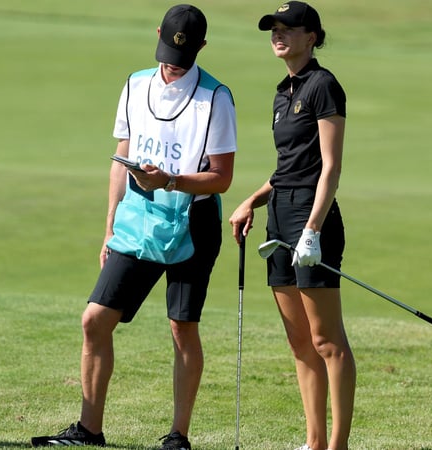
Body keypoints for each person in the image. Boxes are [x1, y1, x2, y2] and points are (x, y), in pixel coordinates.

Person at [31, 4, 237, 449]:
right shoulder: (135, 83)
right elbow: (120, 159)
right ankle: (89, 430)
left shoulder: (217, 98)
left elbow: (222, 177)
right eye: (166, 51)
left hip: (193, 221)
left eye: (181, 57)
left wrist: (171, 180)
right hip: (137, 218)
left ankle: (178, 436)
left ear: (201, 47)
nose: (171, 64)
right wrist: (109, 226)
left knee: (182, 325)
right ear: (157, 33)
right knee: (94, 320)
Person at [228, 2, 355, 450]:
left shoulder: (324, 86)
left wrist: (314, 229)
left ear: (312, 37)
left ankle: (336, 445)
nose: (278, 35)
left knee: (326, 340)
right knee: (300, 342)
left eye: (288, 29)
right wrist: (252, 200)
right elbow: (288, 168)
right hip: (279, 216)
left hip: (310, 219)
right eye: (273, 29)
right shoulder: (284, 90)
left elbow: (330, 168)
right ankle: (314, 442)